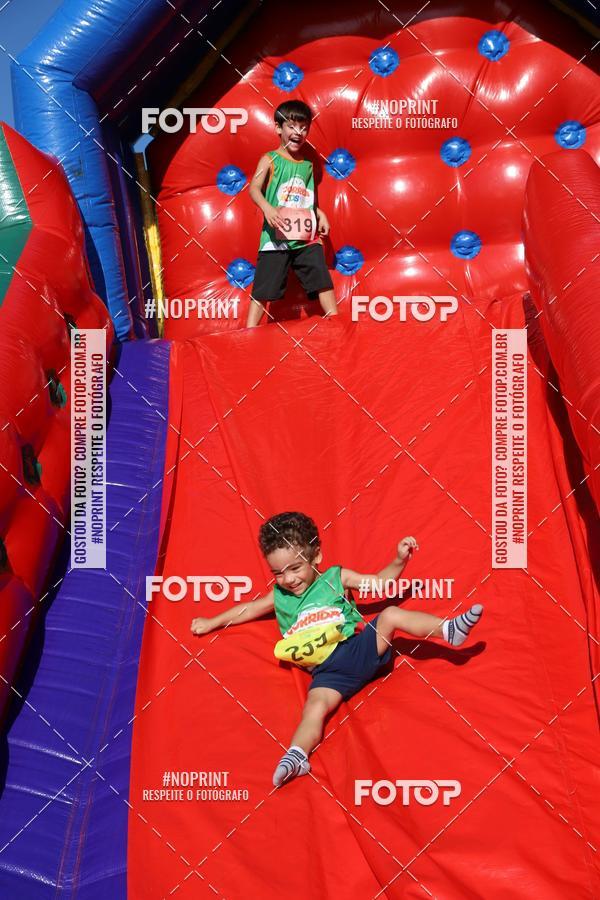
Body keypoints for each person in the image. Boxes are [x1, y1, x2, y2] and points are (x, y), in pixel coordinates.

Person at [191, 512, 483, 788]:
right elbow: (248, 609)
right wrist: (211, 622)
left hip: (357, 649)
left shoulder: (334, 578)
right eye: (278, 572)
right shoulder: (279, 595)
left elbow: (379, 584)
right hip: (328, 674)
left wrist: (398, 560)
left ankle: (448, 630)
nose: (288, 579)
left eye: (295, 568)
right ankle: (297, 756)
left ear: (316, 556)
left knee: (391, 615)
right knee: (313, 708)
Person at [246, 100, 337, 327]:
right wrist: (267, 207)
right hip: (276, 238)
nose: (299, 132)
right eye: (292, 126)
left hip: (305, 237)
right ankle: (247, 334)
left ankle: (337, 322)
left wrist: (320, 213)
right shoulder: (269, 159)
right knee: (264, 287)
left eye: (304, 128)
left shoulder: (307, 165)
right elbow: (254, 189)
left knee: (322, 278)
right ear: (278, 128)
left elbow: (307, 198)